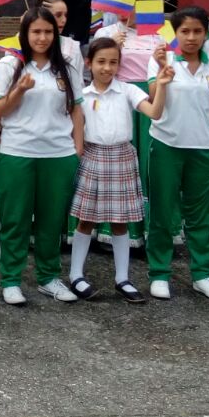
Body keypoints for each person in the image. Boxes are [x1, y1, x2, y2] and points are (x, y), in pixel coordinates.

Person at [67, 37, 171, 304]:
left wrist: (161, 86)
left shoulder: (127, 90)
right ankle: (76, 274)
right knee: (86, 219)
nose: (107, 68)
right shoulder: (81, 94)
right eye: (101, 61)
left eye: (113, 62)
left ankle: (122, 278)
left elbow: (155, 113)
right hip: (91, 155)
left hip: (122, 156)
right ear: (88, 63)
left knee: (120, 221)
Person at [0, 7, 83, 305]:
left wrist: (78, 148)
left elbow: (76, 109)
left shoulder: (65, 67)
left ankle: (48, 277)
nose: (42, 37)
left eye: (47, 32)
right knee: (15, 218)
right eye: (36, 32)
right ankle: (11, 280)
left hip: (58, 154)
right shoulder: (9, 65)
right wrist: (18, 90)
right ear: (24, 35)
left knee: (52, 220)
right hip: (18, 152)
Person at [145, 6, 209, 301]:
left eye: (197, 31)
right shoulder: (162, 59)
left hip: (203, 149)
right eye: (185, 31)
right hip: (167, 146)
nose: (191, 37)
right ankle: (159, 273)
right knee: (162, 213)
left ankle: (203, 274)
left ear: (206, 34)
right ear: (175, 33)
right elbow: (153, 99)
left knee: (201, 216)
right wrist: (160, 72)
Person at [94, 2, 164, 246]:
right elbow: (97, 63)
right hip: (118, 94)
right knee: (116, 159)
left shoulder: (158, 32)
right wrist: (114, 45)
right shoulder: (106, 32)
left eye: (133, 7)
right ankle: (110, 227)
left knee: (147, 160)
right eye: (122, 7)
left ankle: (151, 230)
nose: (128, 13)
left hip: (149, 95)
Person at [38, 0, 84, 75]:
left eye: (65, 15)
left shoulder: (73, 46)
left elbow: (78, 81)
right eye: (58, 15)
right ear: (43, 16)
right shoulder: (29, 42)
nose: (64, 20)